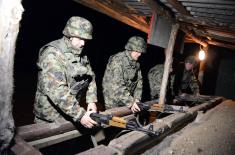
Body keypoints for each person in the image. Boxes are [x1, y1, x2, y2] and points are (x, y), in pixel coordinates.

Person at [34, 16, 97, 128]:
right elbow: (57, 90)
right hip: (50, 118)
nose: (83, 43)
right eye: (80, 38)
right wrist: (80, 114)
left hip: (70, 115)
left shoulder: (81, 53)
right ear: (70, 35)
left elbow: (90, 77)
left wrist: (91, 101)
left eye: (85, 40)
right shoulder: (52, 54)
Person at [102, 36, 147, 113]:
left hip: (127, 99)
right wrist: (131, 102)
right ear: (130, 49)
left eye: (141, 52)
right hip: (113, 100)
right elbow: (118, 86)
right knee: (114, 122)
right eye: (137, 51)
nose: (139, 54)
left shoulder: (136, 63)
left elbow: (139, 82)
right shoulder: (117, 60)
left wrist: (137, 99)